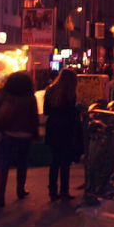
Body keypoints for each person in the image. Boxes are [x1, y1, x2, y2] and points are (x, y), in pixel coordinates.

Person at [0, 72, 40, 207]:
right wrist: (35, 133)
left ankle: (0, 196)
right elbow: (34, 117)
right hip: (25, 134)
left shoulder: (4, 96)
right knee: (22, 162)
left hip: (7, 133)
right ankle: (20, 190)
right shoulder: (30, 98)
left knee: (4, 163)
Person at [43, 69, 82, 201]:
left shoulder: (50, 91)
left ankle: (52, 190)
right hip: (66, 129)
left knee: (54, 161)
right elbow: (72, 113)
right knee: (65, 161)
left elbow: (46, 111)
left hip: (53, 127)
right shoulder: (70, 94)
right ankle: (64, 190)